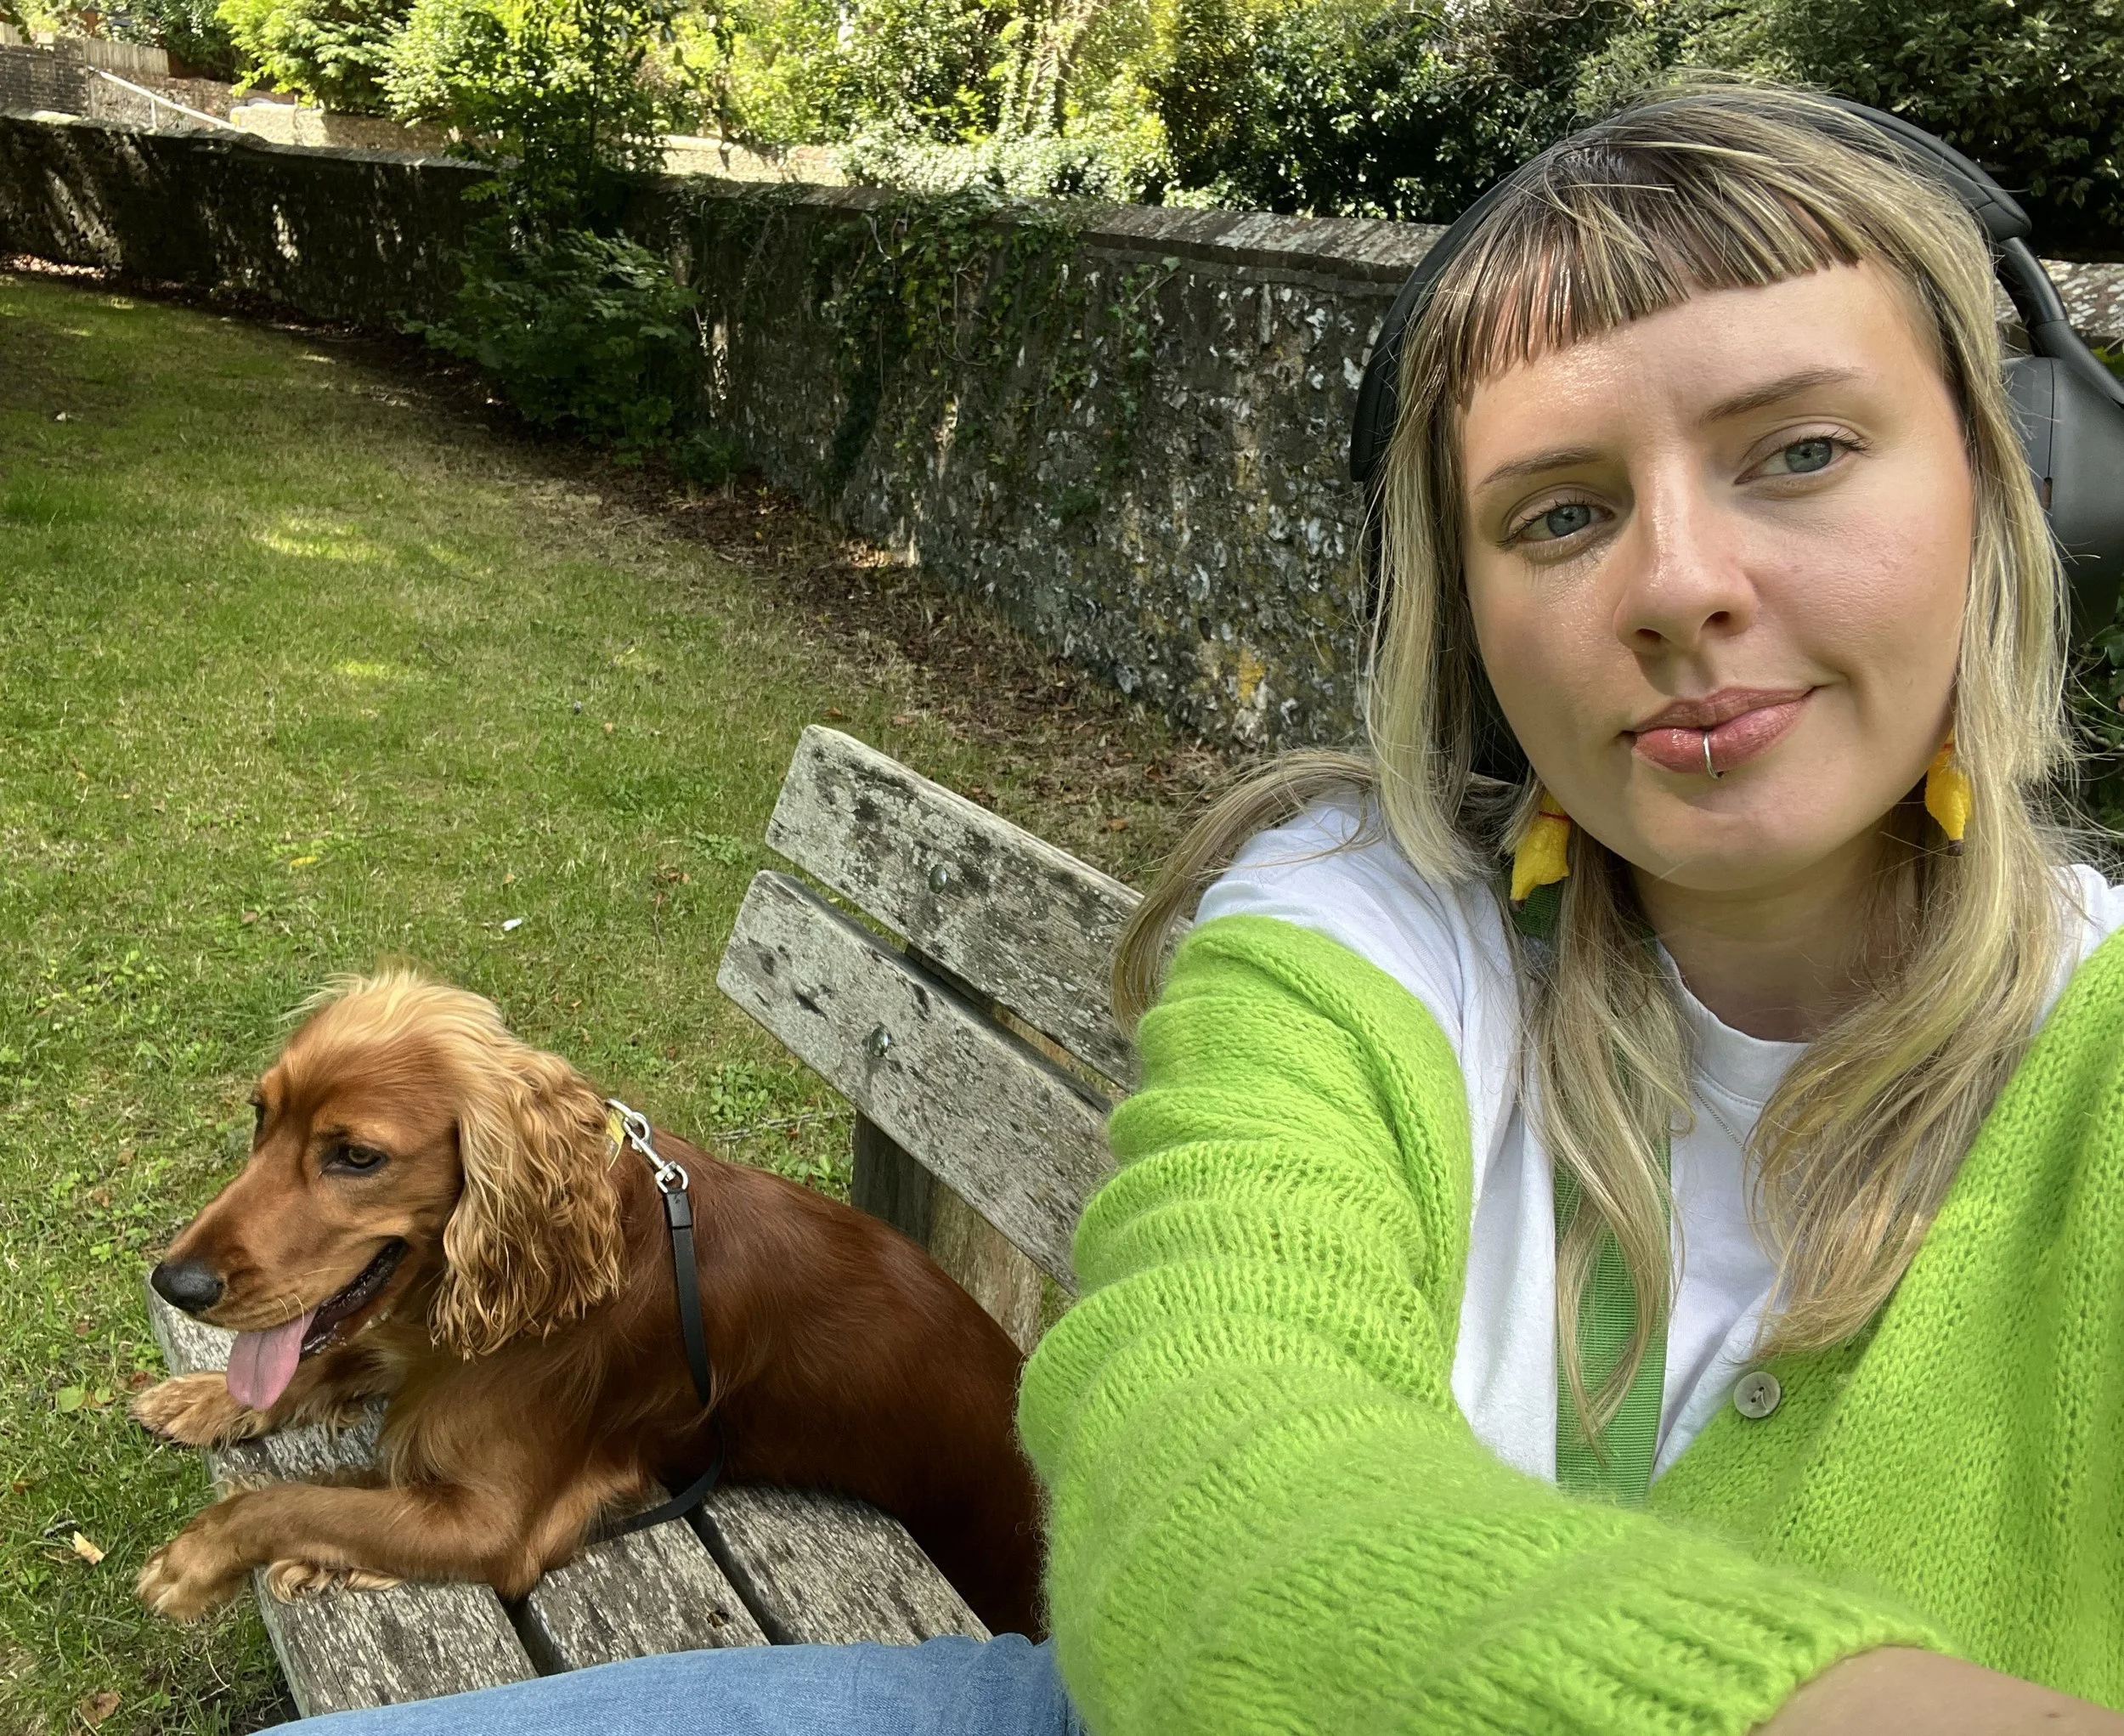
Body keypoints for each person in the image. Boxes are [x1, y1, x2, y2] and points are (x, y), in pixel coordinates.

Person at [293, 83, 2124, 1735]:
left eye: (1798, 451)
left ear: (2014, 490)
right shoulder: (1361, 927)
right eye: (1558, 515)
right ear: (1466, 625)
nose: (1678, 584)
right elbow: (1202, 1443)